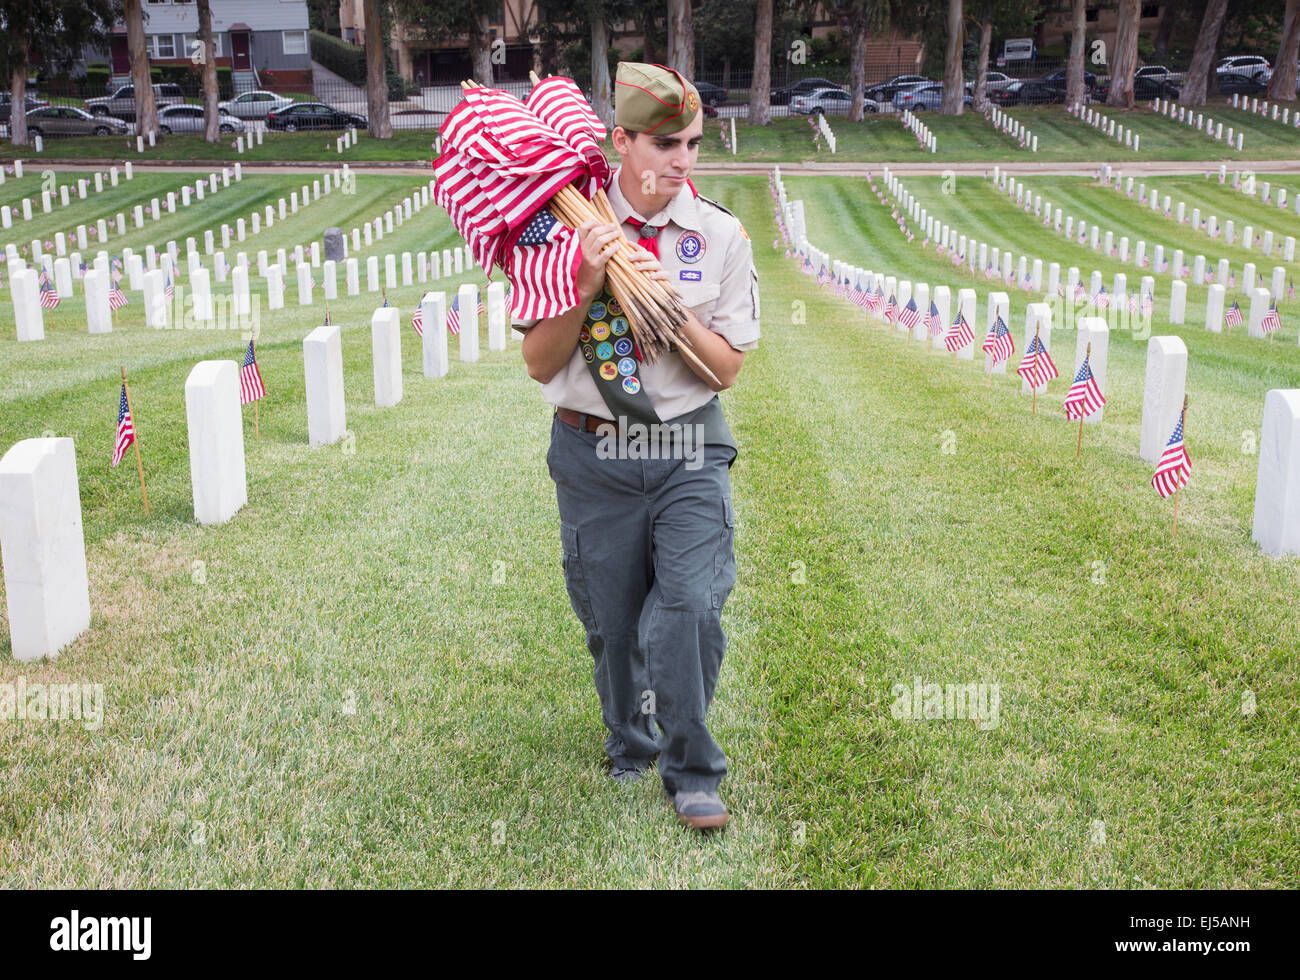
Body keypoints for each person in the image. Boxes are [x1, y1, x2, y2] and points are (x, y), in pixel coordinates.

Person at [514, 62, 760, 831]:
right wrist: (590, 279)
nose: (681, 162)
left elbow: (726, 367)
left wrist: (656, 294)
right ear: (619, 140)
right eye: (662, 144)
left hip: (689, 446)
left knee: (688, 607)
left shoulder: (717, 234)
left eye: (692, 144)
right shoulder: (558, 227)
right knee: (613, 621)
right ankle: (631, 740)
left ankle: (693, 770)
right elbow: (540, 363)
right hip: (593, 451)